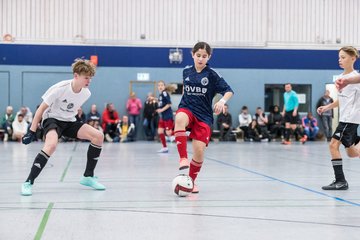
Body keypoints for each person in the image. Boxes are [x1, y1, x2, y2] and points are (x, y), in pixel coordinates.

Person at [20, 58, 105, 196]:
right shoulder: (59, 88)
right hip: (52, 119)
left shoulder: (86, 93)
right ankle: (28, 182)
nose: (89, 81)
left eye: (90, 78)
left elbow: (73, 106)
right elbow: (40, 110)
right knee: (51, 145)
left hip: (69, 121)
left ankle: (88, 177)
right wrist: (31, 131)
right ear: (76, 76)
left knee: (98, 136)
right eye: (86, 78)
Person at [174, 42, 233, 193]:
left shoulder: (212, 74)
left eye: (204, 56)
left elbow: (228, 91)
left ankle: (191, 182)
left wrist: (221, 102)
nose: (200, 59)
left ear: (209, 57)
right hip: (187, 108)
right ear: (192, 54)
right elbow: (185, 91)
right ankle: (183, 158)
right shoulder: (186, 71)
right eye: (198, 55)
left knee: (199, 151)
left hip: (204, 115)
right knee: (179, 118)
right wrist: (181, 106)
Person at [317, 46, 360, 190]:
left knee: (333, 145)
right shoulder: (342, 77)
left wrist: (349, 81)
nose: (340, 60)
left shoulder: (355, 78)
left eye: (343, 57)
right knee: (352, 153)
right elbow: (342, 100)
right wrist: (327, 107)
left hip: (350, 119)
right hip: (345, 119)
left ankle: (340, 181)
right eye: (339, 57)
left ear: (353, 58)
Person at [156, 80, 176, 153]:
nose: (160, 87)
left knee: (168, 133)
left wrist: (161, 110)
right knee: (160, 131)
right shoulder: (161, 95)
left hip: (167, 116)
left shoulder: (164, 93)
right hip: (163, 116)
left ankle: (183, 132)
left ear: (164, 86)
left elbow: (169, 104)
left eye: (161, 85)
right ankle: (165, 147)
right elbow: (161, 102)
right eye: (159, 85)